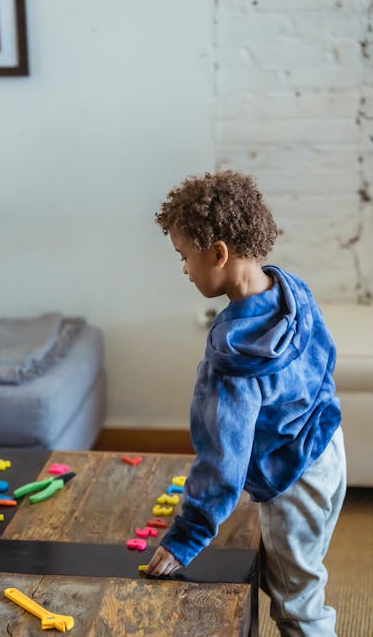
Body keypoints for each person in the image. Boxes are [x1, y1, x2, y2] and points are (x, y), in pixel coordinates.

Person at [146, 170, 346, 637]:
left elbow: (223, 461)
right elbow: (325, 359)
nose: (184, 269)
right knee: (305, 570)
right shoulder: (291, 290)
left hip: (291, 481)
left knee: (298, 604)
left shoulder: (230, 358)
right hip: (329, 447)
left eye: (184, 256)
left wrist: (187, 536)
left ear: (218, 252)